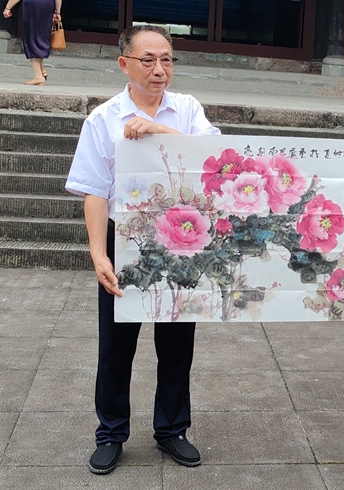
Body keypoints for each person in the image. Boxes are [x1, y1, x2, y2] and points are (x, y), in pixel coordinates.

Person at [65, 25, 220, 475]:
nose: (159, 69)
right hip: (125, 240)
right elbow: (95, 191)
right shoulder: (103, 119)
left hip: (181, 242)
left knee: (176, 344)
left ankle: (172, 429)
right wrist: (99, 254)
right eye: (148, 60)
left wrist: (158, 131)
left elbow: (215, 158)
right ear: (124, 64)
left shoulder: (187, 110)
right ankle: (111, 433)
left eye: (167, 59)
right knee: (116, 346)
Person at [2, 0, 61, 85]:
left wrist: (8, 7)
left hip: (32, 6)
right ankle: (42, 70)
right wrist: (57, 11)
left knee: (31, 37)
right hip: (47, 5)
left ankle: (38, 76)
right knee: (41, 35)